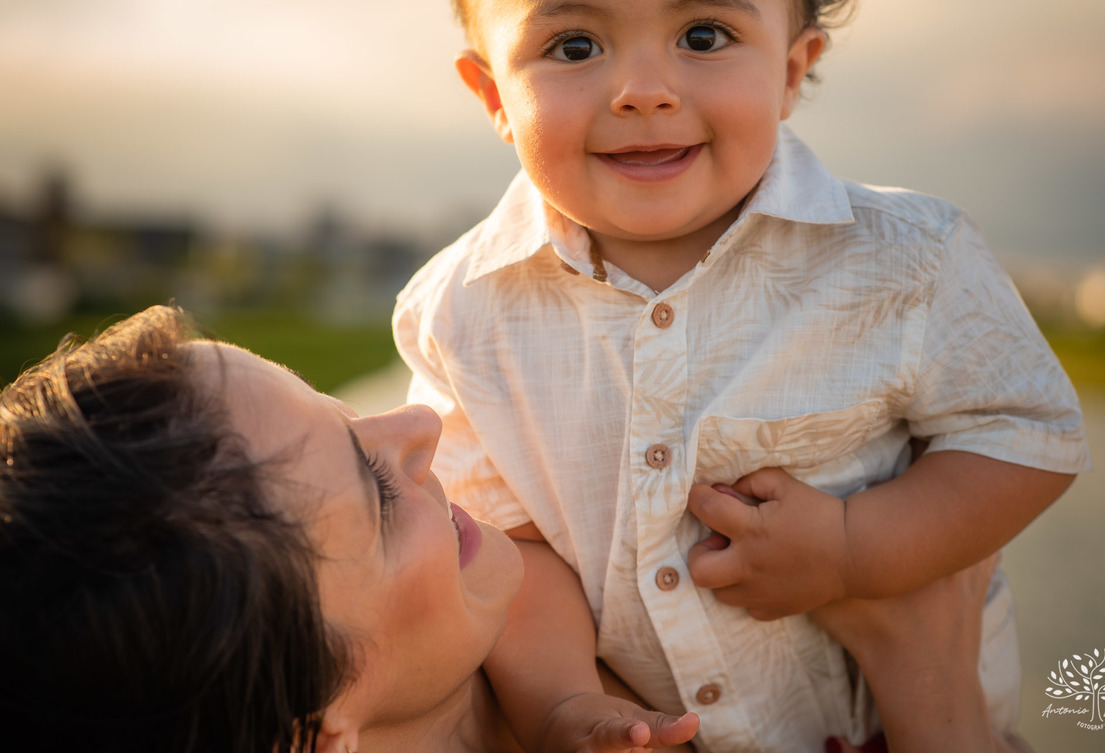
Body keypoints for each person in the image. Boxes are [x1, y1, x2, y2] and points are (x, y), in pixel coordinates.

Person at [392, 0, 1091, 751]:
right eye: (575, 47)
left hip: (897, 725)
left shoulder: (906, 258)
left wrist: (855, 546)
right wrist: (562, 700)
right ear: (493, 96)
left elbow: (1029, 434)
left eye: (703, 34)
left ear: (792, 71)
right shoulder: (461, 311)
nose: (643, 90)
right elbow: (503, 546)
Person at [1, 305, 1006, 753]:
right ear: (307, 735)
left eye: (344, 411)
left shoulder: (552, 578)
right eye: (376, 489)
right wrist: (938, 706)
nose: (420, 425)